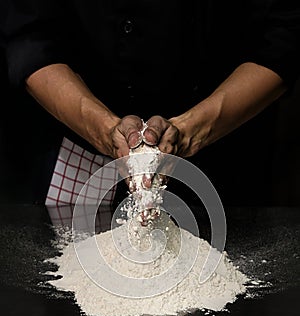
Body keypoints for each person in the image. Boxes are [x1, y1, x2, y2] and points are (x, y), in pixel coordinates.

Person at [1, 1, 300, 206]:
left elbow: (282, 39)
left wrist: (192, 128)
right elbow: (29, 37)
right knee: (69, 285)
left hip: (222, 143)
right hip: (76, 148)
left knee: (218, 285)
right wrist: (101, 127)